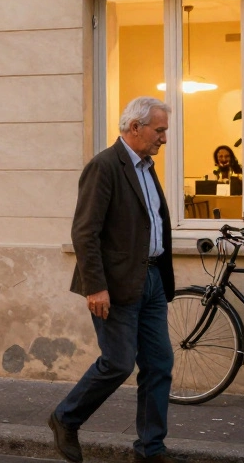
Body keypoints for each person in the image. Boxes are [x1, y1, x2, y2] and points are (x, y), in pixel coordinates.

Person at [50, 96, 178, 463]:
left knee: (158, 365)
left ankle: (150, 449)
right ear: (135, 127)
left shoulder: (147, 168)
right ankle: (66, 417)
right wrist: (95, 286)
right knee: (119, 363)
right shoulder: (104, 166)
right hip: (117, 283)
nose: (164, 138)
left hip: (152, 279)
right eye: (159, 130)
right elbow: (85, 232)